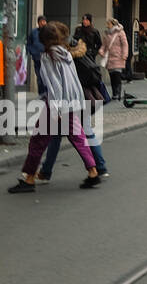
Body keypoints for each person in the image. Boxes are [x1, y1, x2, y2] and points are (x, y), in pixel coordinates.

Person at [9, 21, 102, 193]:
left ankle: (29, 179)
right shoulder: (66, 53)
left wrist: (56, 109)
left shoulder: (48, 56)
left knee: (38, 140)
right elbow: (73, 80)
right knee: (78, 137)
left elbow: (54, 85)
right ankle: (93, 172)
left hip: (56, 105)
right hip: (71, 102)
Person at [35, 34, 109, 184]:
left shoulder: (64, 57)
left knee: (82, 133)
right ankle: (46, 171)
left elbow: (60, 83)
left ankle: (98, 167)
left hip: (73, 100)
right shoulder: (78, 55)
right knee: (64, 135)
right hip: (82, 98)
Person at [103, 18, 129, 98]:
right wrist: (101, 51)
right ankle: (114, 93)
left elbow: (125, 44)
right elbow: (104, 44)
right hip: (110, 58)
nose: (107, 25)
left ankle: (118, 93)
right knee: (112, 76)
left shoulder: (120, 32)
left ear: (113, 24)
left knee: (117, 76)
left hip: (118, 57)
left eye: (108, 24)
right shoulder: (107, 33)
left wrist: (125, 54)